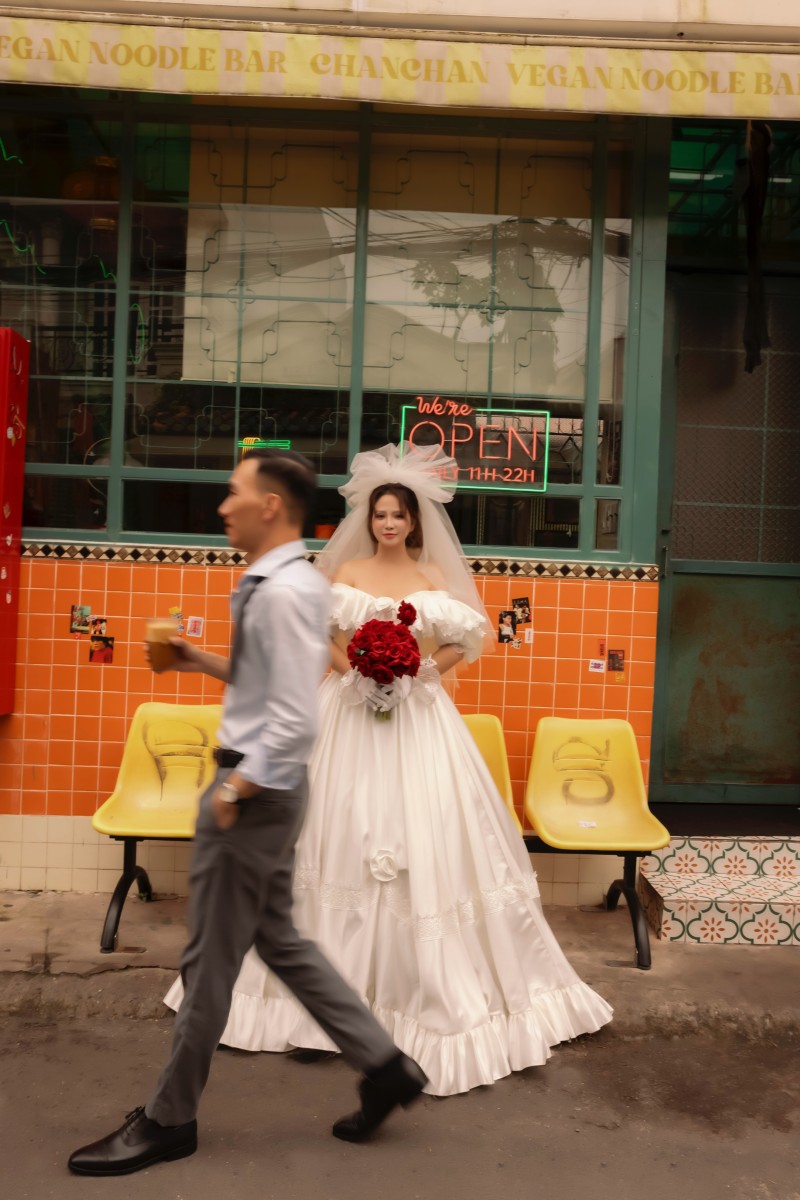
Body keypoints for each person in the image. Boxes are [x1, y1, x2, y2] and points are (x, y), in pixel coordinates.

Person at [165, 443, 612, 1097]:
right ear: (368, 520)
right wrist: (356, 672)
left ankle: (396, 1015)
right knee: (335, 839)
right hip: (346, 711)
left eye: (399, 514)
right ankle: (333, 1021)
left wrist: (418, 673)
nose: (389, 523)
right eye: (380, 514)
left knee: (422, 844)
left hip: (417, 720)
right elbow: (323, 635)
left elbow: (464, 639)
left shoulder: (431, 580)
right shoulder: (344, 569)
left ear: (414, 521)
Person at [68, 449, 427, 1177]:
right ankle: (386, 1067)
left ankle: (169, 1119)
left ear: (271, 507)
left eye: (235, 493)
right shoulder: (274, 582)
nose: (223, 506)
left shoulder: (287, 590)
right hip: (260, 789)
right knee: (279, 941)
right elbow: (267, 681)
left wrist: (235, 793)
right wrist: (196, 660)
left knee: (208, 963)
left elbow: (294, 719)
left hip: (252, 792)